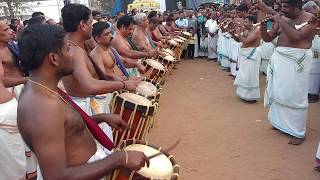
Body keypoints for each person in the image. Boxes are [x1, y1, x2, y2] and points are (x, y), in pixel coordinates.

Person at [17, 24, 149, 180]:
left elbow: (63, 130)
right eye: (67, 49)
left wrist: (100, 118)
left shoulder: (43, 89)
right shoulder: (42, 107)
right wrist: (120, 158)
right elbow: (56, 177)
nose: (72, 55)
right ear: (54, 58)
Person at [60, 4, 142, 148]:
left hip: (88, 104)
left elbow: (87, 76)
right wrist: (124, 84)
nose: (92, 26)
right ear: (82, 25)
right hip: (84, 107)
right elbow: (89, 85)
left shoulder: (76, 46)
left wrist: (110, 77)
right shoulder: (74, 50)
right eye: (91, 22)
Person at [259, 0, 318, 145]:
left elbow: (296, 37)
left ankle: (298, 132)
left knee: (295, 94)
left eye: (286, 7)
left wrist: (279, 19)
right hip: (280, 61)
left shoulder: (311, 19)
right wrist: (262, 27)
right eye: (281, 7)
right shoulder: (284, 18)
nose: (282, 10)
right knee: (279, 91)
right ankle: (279, 122)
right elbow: (268, 38)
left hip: (297, 62)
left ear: (297, 7)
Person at [0, 23, 26, 180]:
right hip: (5, 110)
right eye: (5, 30)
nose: (10, 31)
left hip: (13, 102)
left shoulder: (11, 46)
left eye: (10, 28)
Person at [232, 15, 262, 102]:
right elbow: (239, 40)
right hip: (246, 56)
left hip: (252, 56)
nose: (244, 24)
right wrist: (233, 33)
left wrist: (238, 33)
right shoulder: (246, 30)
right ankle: (243, 94)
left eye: (246, 22)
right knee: (244, 75)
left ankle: (250, 97)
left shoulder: (256, 31)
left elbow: (245, 41)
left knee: (250, 75)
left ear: (251, 22)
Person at [303, 1, 320, 103]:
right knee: (311, 68)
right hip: (313, 43)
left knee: (315, 69)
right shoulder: (312, 18)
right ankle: (311, 92)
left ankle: (313, 93)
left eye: (307, 11)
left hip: (317, 43)